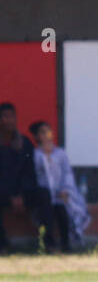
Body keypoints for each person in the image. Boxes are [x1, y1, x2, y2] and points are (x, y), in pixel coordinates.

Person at [0, 103, 58, 254]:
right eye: (6, 116)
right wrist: (10, 195)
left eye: (12, 116)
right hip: (3, 193)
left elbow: (29, 173)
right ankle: (2, 245)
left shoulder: (24, 143)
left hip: (22, 192)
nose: (10, 120)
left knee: (43, 194)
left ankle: (48, 243)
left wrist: (20, 194)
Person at [30, 121, 89, 252]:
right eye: (42, 132)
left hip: (60, 194)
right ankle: (49, 244)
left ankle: (66, 244)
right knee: (47, 215)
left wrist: (66, 190)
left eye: (48, 131)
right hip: (44, 193)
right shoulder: (36, 154)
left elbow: (67, 173)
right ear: (37, 136)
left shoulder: (60, 153)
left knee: (63, 213)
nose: (47, 135)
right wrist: (46, 156)